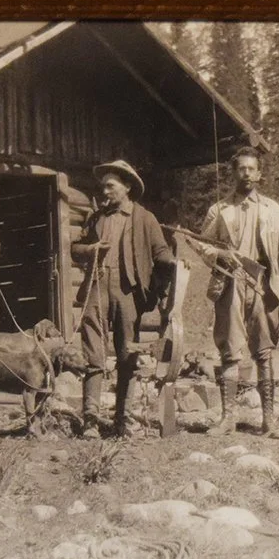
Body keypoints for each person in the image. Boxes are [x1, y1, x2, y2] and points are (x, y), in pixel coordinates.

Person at [191, 147, 279, 438]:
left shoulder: (273, 210)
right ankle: (228, 420)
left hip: (264, 287)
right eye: (241, 169)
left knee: (264, 353)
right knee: (230, 352)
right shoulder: (219, 210)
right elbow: (201, 243)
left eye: (252, 169)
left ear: (259, 174)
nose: (246, 173)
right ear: (234, 172)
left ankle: (269, 421)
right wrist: (219, 257)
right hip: (230, 284)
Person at [71, 160, 174, 438]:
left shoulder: (144, 218)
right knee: (93, 352)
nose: (105, 191)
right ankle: (90, 420)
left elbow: (162, 254)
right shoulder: (97, 218)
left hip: (128, 291)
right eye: (102, 186)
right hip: (96, 286)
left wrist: (160, 285)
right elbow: (75, 249)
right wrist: (91, 248)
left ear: (127, 186)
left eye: (110, 186)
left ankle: (122, 420)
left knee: (127, 354)